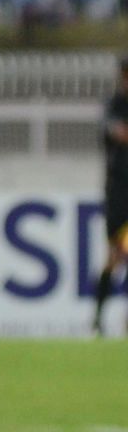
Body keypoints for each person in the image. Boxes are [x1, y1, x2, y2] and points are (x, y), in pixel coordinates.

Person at [91, 57, 128, 335]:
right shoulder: (113, 106)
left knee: (119, 255)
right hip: (118, 194)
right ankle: (98, 319)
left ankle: (101, 320)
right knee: (114, 258)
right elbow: (116, 132)